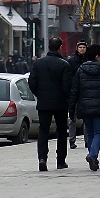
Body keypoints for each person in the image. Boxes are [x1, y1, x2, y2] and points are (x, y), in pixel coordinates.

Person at [68, 44, 100, 171]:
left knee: (89, 133)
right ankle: (92, 155)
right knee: (99, 132)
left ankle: (93, 158)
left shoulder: (80, 70)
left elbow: (74, 91)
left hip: (84, 106)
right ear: (97, 56)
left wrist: (72, 108)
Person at [28, 37, 71, 171]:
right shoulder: (64, 65)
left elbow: (32, 82)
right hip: (60, 103)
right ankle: (60, 160)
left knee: (43, 131)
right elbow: (67, 86)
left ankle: (42, 158)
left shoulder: (38, 63)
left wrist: (40, 94)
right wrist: (65, 98)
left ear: (48, 47)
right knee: (62, 131)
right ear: (60, 48)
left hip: (44, 102)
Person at [65, 40, 87, 149]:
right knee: (72, 117)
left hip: (86, 92)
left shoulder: (88, 60)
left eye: (84, 47)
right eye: (80, 47)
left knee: (86, 118)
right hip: (74, 93)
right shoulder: (72, 61)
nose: (82, 49)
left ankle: (87, 139)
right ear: (77, 49)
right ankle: (72, 139)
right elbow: (68, 77)